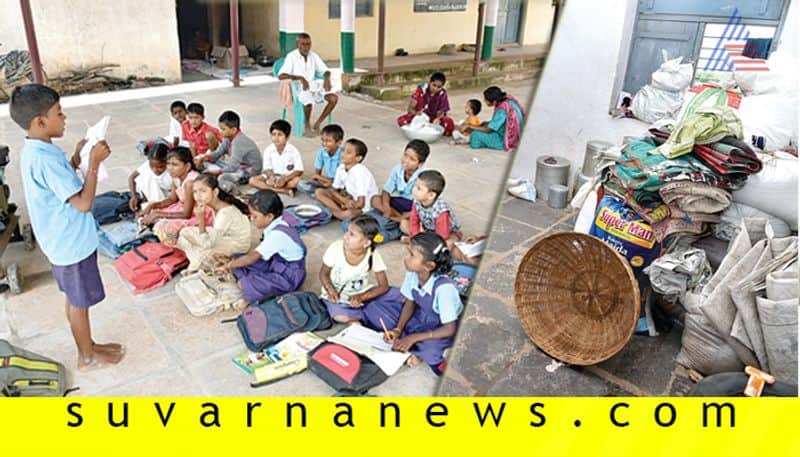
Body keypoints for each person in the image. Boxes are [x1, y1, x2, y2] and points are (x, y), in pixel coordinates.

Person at [10, 84, 125, 371]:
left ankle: (89, 344)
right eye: (59, 113)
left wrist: (76, 158)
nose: (64, 118)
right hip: (70, 245)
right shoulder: (44, 159)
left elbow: (62, 182)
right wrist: (95, 164)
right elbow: (84, 203)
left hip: (61, 241)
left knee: (75, 299)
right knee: (78, 302)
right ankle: (86, 356)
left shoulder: (38, 149)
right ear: (40, 121)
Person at [362, 232, 462, 375]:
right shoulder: (413, 274)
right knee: (372, 308)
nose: (406, 258)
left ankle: (415, 347)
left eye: (411, 255)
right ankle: (409, 344)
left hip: (440, 327)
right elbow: (410, 303)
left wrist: (413, 337)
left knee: (430, 351)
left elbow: (449, 329)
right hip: (418, 316)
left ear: (428, 266)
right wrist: (397, 329)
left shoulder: (444, 288)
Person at [215, 190, 307, 309]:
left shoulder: (277, 235)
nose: (252, 219)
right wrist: (231, 262)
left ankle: (249, 296)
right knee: (237, 257)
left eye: (255, 216)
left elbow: (252, 258)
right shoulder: (278, 223)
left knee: (246, 282)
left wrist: (228, 266)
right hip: (277, 264)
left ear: (269, 216)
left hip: (289, 277)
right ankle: (246, 278)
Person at [320, 215, 403, 323]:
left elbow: (383, 286)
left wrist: (362, 296)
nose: (345, 236)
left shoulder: (372, 254)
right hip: (338, 297)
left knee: (401, 294)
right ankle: (366, 314)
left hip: (363, 292)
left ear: (366, 243)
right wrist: (330, 290)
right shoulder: (336, 248)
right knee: (340, 317)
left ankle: (364, 312)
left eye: (352, 234)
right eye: (347, 232)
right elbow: (324, 273)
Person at [176, 174, 252, 273]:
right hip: (221, 237)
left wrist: (201, 219)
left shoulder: (225, 213)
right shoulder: (214, 205)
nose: (198, 196)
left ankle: (195, 265)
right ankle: (199, 260)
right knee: (184, 232)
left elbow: (208, 244)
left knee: (205, 250)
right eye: (195, 192)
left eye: (203, 191)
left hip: (237, 245)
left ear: (215, 192)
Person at [141, 147, 214, 246]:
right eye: (168, 164)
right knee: (148, 208)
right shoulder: (176, 177)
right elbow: (172, 199)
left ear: (187, 166)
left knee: (165, 227)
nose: (170, 168)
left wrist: (159, 214)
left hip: (198, 213)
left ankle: (175, 244)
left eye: (174, 164)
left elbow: (186, 214)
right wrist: (152, 206)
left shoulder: (190, 183)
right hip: (183, 207)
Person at [278, 33, 338, 137]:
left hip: (314, 86)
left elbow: (325, 70)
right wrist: (300, 78)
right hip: (298, 88)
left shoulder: (313, 56)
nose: (306, 47)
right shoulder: (291, 56)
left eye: (308, 44)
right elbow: (281, 75)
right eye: (303, 44)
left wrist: (327, 79)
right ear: (298, 44)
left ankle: (318, 123)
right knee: (308, 102)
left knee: (333, 98)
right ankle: (307, 125)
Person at [195, 110, 262, 194]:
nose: (221, 132)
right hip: (238, 166)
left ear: (233, 129)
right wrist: (205, 157)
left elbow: (233, 167)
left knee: (222, 178)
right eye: (220, 129)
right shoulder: (228, 137)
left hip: (248, 172)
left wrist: (217, 172)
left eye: (223, 129)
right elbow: (218, 153)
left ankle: (235, 192)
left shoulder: (239, 142)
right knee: (206, 162)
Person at [315, 138, 378, 221]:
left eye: (348, 153)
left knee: (348, 214)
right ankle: (338, 213)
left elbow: (361, 204)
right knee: (319, 192)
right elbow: (334, 190)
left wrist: (348, 204)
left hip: (362, 207)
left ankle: (336, 214)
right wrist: (344, 201)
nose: (343, 154)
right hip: (348, 199)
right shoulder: (341, 168)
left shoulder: (360, 173)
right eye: (343, 150)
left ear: (358, 158)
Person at [371, 139, 429, 224]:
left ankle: (399, 218)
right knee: (375, 199)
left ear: (420, 164)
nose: (406, 160)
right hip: (400, 203)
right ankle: (398, 218)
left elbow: (426, 203)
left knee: (423, 215)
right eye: (405, 155)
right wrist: (386, 207)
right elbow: (386, 191)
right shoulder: (397, 169)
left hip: (416, 206)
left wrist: (410, 214)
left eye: (412, 159)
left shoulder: (424, 175)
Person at [406, 170, 463, 251]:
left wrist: (425, 241)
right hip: (429, 230)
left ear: (431, 195)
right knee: (404, 224)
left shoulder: (441, 211)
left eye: (419, 188)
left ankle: (424, 246)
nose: (414, 189)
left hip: (449, 233)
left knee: (447, 244)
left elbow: (443, 235)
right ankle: (421, 244)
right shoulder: (417, 201)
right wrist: (415, 238)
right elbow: (413, 221)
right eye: (415, 186)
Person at [249, 120, 303, 196]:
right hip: (272, 176)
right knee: (252, 180)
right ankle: (284, 191)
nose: (276, 138)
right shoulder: (268, 150)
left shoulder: (293, 151)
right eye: (273, 134)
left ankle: (271, 188)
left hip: (287, 177)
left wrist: (284, 179)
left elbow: (299, 171)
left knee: (297, 181)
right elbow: (267, 168)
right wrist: (271, 176)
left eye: (280, 135)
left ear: (287, 137)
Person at [467, 86, 526, 151]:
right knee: (484, 124)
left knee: (475, 135)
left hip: (505, 139)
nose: (484, 101)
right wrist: (484, 124)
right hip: (519, 134)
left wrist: (470, 126)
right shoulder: (508, 101)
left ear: (494, 101)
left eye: (486, 100)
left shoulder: (501, 110)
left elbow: (488, 130)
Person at [396, 72, 455, 136]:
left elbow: (442, 111)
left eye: (439, 87)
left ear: (442, 87)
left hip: (433, 119)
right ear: (430, 82)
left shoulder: (442, 94)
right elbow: (410, 109)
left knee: (448, 123)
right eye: (434, 85)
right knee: (402, 120)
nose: (435, 88)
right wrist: (416, 113)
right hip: (419, 116)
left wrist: (438, 118)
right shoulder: (421, 89)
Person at [297, 124, 344, 196]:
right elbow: (316, 174)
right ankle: (324, 195)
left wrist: (325, 180)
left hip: (340, 184)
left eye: (328, 141)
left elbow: (342, 179)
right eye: (323, 140)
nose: (324, 144)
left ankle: (324, 195)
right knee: (301, 184)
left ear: (339, 142)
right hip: (327, 182)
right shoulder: (321, 152)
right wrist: (322, 181)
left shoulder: (343, 155)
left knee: (338, 190)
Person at [128, 142, 173, 213]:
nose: (155, 170)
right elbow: (132, 177)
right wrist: (133, 197)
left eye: (160, 167)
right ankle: (147, 204)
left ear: (167, 162)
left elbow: (173, 198)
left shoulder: (172, 170)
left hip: (170, 197)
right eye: (152, 166)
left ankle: (154, 208)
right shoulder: (148, 164)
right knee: (143, 177)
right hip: (154, 196)